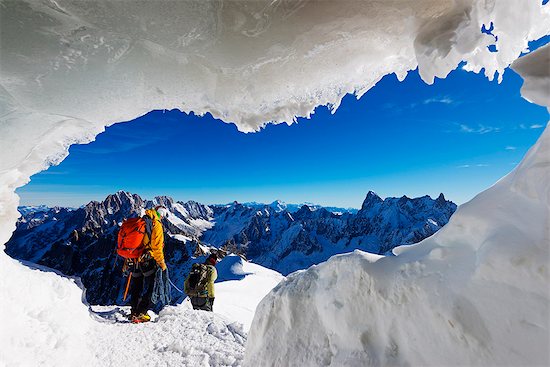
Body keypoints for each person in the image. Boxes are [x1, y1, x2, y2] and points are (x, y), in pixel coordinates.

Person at [128, 205, 168, 323]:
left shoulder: (142, 220)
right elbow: (157, 248)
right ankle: (142, 313)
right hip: (148, 260)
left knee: (136, 286)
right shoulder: (156, 224)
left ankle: (134, 311)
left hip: (135, 258)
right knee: (152, 287)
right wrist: (162, 263)